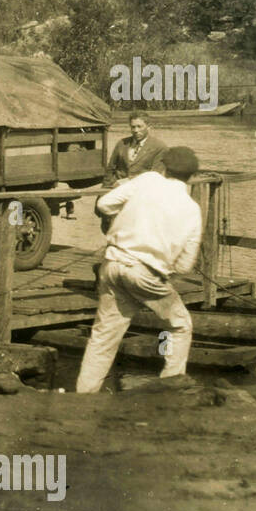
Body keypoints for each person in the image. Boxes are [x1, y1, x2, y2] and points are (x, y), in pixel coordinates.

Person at [76, 146, 203, 394]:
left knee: (103, 338)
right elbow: (186, 266)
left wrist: (124, 217)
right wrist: (166, 262)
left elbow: (104, 204)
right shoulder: (192, 209)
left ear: (164, 167)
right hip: (146, 275)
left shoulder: (147, 180)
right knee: (180, 325)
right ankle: (171, 386)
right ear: (193, 177)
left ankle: (83, 397)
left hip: (113, 265)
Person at [104, 111, 168, 186]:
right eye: (133, 127)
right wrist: (107, 187)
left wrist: (127, 181)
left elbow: (155, 175)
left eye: (139, 126)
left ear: (149, 127)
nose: (136, 130)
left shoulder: (159, 147)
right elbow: (111, 169)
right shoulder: (122, 143)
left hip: (143, 190)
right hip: (118, 189)